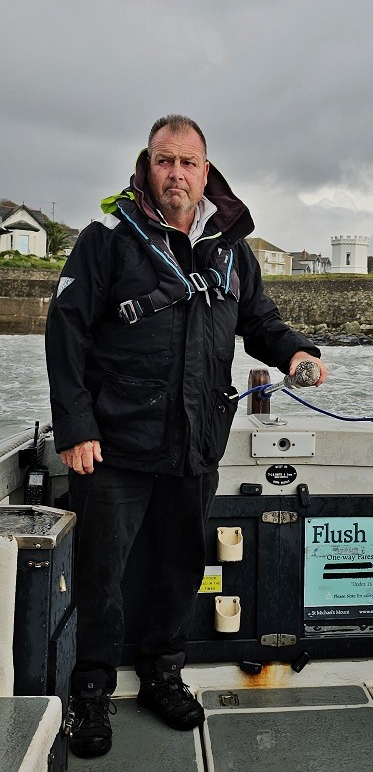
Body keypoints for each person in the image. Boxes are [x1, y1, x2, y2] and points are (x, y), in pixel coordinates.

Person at [45, 114, 327, 759]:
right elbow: (66, 334)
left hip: (197, 442)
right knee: (102, 573)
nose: (176, 173)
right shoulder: (107, 238)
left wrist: (295, 353)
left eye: (188, 162)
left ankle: (162, 675)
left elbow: (260, 320)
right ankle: (89, 693)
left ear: (207, 171)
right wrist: (76, 427)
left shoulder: (229, 247)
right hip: (113, 445)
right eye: (164, 161)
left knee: (180, 568)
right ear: (147, 167)